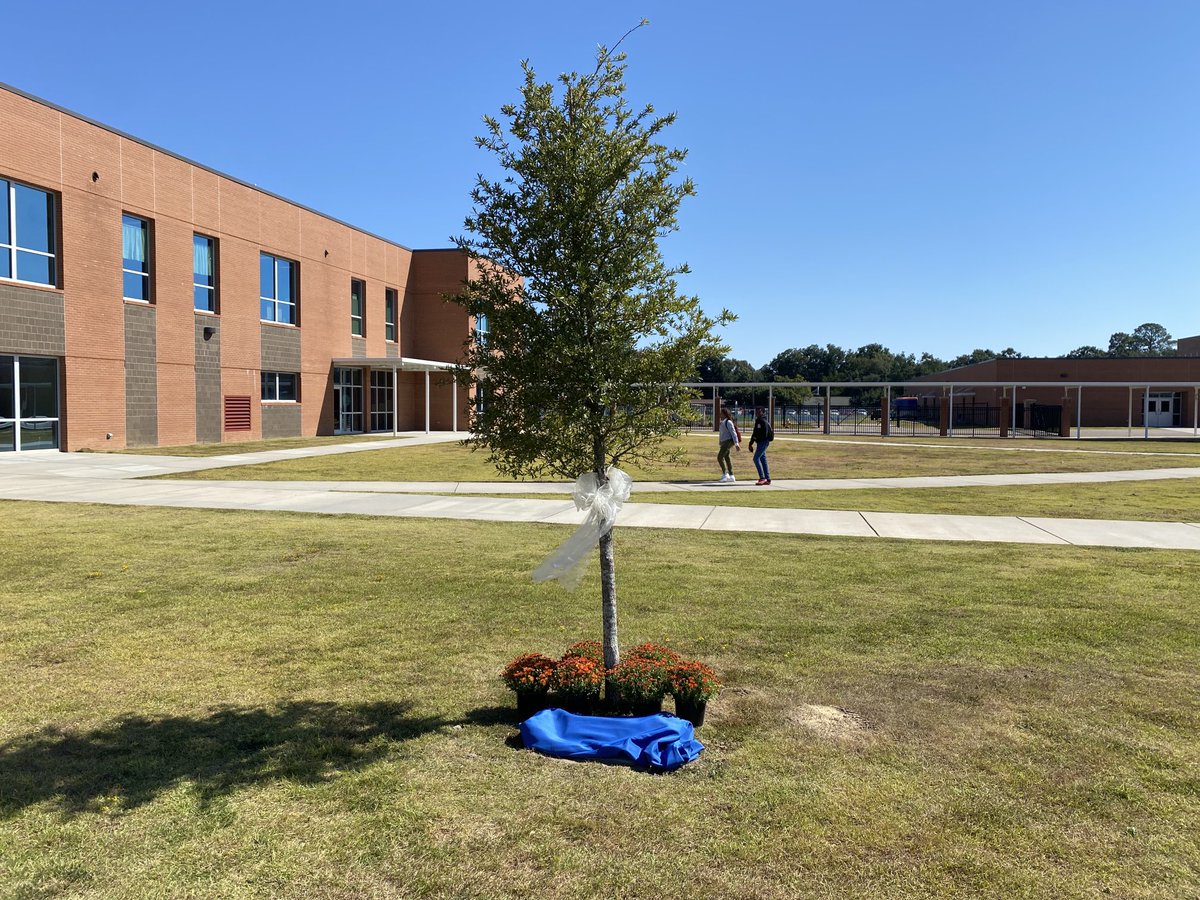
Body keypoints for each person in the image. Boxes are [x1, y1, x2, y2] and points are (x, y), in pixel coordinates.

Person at [748, 406, 774, 485]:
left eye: (759, 411)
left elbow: (764, 434)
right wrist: (751, 443)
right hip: (760, 443)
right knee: (763, 459)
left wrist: (757, 439)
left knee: (756, 458)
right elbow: (755, 433)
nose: (757, 413)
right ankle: (767, 479)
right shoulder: (758, 421)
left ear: (763, 412)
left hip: (763, 442)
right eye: (756, 411)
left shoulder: (762, 421)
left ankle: (762, 478)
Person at [716, 408, 740, 482]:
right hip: (724, 442)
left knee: (719, 457)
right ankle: (731, 475)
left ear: (725, 414)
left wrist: (736, 443)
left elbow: (733, 433)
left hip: (728, 441)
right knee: (726, 457)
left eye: (721, 413)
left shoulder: (728, 422)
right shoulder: (722, 422)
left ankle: (725, 474)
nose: (720, 415)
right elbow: (721, 433)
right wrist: (720, 441)